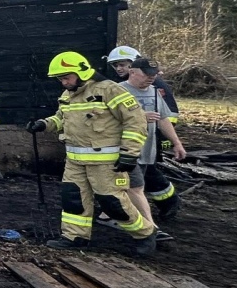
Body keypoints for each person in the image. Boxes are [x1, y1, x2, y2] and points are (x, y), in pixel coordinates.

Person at [27, 51, 158, 255]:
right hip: (75, 161)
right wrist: (44, 124)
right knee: (73, 199)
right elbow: (62, 118)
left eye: (66, 77)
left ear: (81, 72)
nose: (63, 83)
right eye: (60, 79)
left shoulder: (109, 90)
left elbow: (136, 120)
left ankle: (146, 233)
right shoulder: (67, 95)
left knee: (113, 203)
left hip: (106, 163)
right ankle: (75, 237)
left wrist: (130, 153)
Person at [106, 45, 183, 219]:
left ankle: (166, 204)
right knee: (137, 180)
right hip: (129, 145)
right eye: (116, 65)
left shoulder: (155, 87)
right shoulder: (117, 88)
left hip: (149, 142)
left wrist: (167, 139)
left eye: (123, 65)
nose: (119, 69)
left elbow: (166, 115)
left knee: (145, 177)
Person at [121, 58, 187, 228]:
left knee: (133, 189)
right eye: (147, 74)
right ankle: (148, 227)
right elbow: (106, 119)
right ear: (133, 72)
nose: (151, 78)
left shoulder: (154, 92)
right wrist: (140, 116)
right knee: (134, 189)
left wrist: (176, 143)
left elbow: (163, 119)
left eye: (154, 74)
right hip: (125, 150)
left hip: (146, 150)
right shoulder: (117, 91)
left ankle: (122, 218)